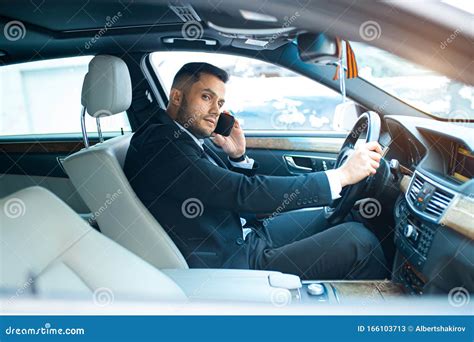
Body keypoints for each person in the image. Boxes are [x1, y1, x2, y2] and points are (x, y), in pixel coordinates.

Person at [124, 62, 388, 280]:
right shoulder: (161, 146)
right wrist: (342, 176)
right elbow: (241, 193)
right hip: (231, 261)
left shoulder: (177, 135)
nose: (216, 110)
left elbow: (227, 191)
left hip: (243, 233)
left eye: (220, 102)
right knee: (359, 242)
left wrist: (238, 156)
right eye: (206, 97)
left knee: (339, 216)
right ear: (177, 97)